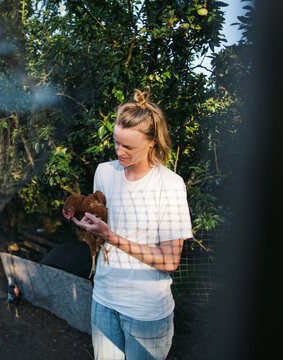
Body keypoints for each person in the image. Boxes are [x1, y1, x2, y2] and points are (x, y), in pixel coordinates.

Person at [70, 89, 193, 360]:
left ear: (152, 143)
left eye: (129, 147)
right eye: (116, 143)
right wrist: (87, 225)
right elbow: (101, 228)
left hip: (146, 311)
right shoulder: (104, 172)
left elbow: (170, 261)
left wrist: (111, 236)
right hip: (103, 300)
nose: (119, 152)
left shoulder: (169, 185)